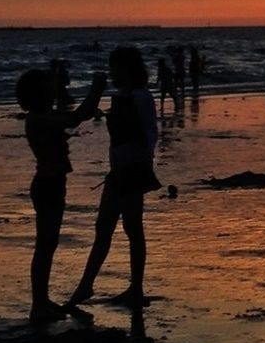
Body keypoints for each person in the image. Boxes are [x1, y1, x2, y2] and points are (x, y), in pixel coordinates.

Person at [68, 47, 159, 310]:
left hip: (130, 170)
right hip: (120, 170)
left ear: (127, 68)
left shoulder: (141, 97)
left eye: (115, 66)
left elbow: (149, 133)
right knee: (111, 227)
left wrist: (140, 166)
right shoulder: (122, 95)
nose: (111, 71)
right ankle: (100, 286)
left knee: (122, 228)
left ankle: (104, 286)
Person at [17, 67, 106, 323]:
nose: (54, 92)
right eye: (49, 89)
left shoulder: (43, 115)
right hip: (47, 186)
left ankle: (42, 300)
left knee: (48, 245)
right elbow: (75, 118)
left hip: (53, 184)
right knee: (45, 246)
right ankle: (38, 304)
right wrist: (96, 89)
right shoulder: (37, 119)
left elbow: (77, 115)